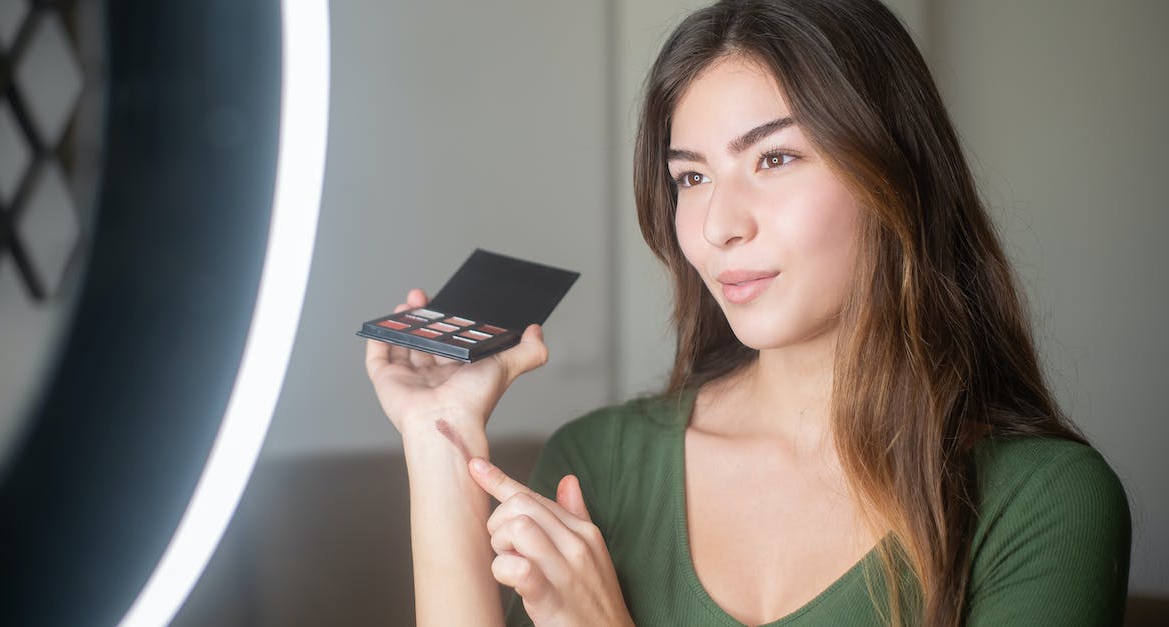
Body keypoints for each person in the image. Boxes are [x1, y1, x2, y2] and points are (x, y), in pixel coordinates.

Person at [363, 0, 1132, 625]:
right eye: (691, 177)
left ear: (893, 172)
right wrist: (441, 442)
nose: (719, 225)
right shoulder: (598, 465)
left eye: (774, 158)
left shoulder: (1045, 501)